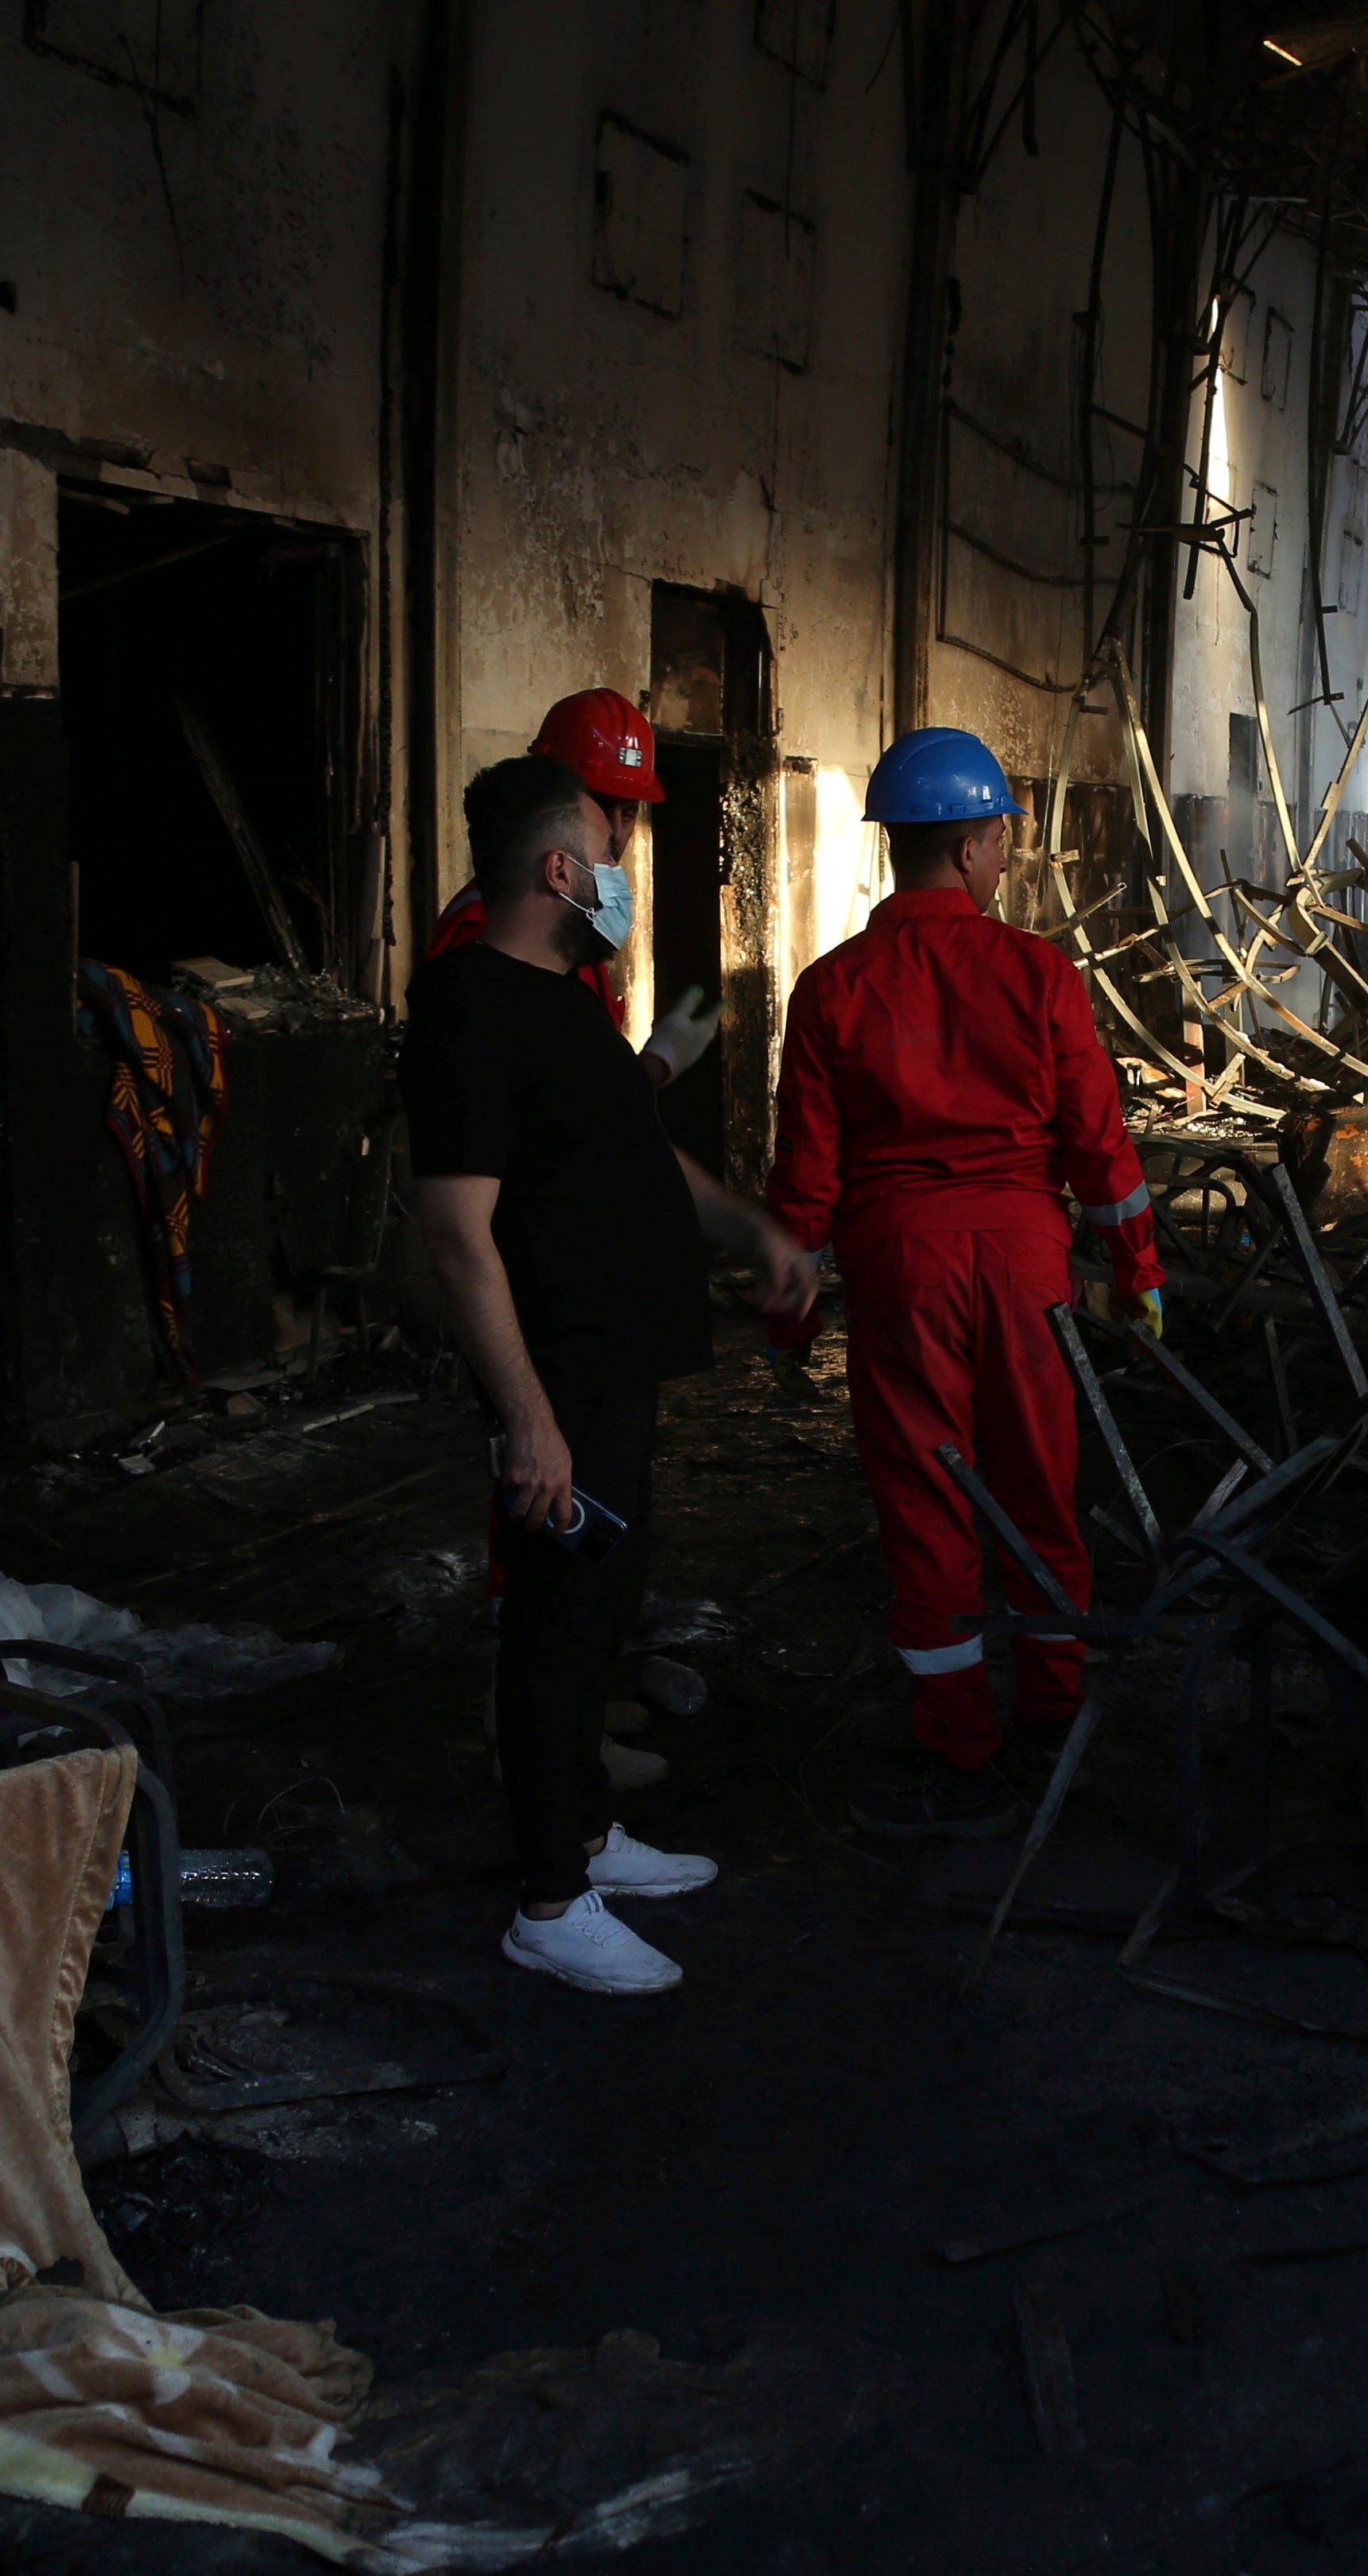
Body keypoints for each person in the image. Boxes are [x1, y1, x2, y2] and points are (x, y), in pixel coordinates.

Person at [407, 753, 816, 1992]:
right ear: (558, 870)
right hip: (559, 1388)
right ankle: (546, 1901)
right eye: (608, 854)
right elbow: (456, 1231)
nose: (621, 882)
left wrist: (753, 1229)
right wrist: (527, 1422)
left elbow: (642, 1161)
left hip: (612, 1378)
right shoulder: (472, 1006)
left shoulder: (568, 1007)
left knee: (600, 1609)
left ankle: (584, 1832)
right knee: (551, 1625)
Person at [765, 727, 1166, 1837]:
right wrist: (1138, 1276)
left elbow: (805, 1175)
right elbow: (1100, 1147)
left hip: (899, 1268)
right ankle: (1052, 1710)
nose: (1003, 860)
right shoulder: (1039, 974)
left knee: (927, 1494)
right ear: (981, 842)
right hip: (1027, 1265)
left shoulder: (829, 987)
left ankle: (956, 1738)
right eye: (1002, 841)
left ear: (897, 843)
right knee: (1040, 1483)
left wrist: (786, 1317)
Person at [420, 689, 719, 1092]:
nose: (613, 833)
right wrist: (648, 1071)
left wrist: (647, 1069)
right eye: (597, 806)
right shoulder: (484, 931)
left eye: (627, 813)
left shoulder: (578, 925)